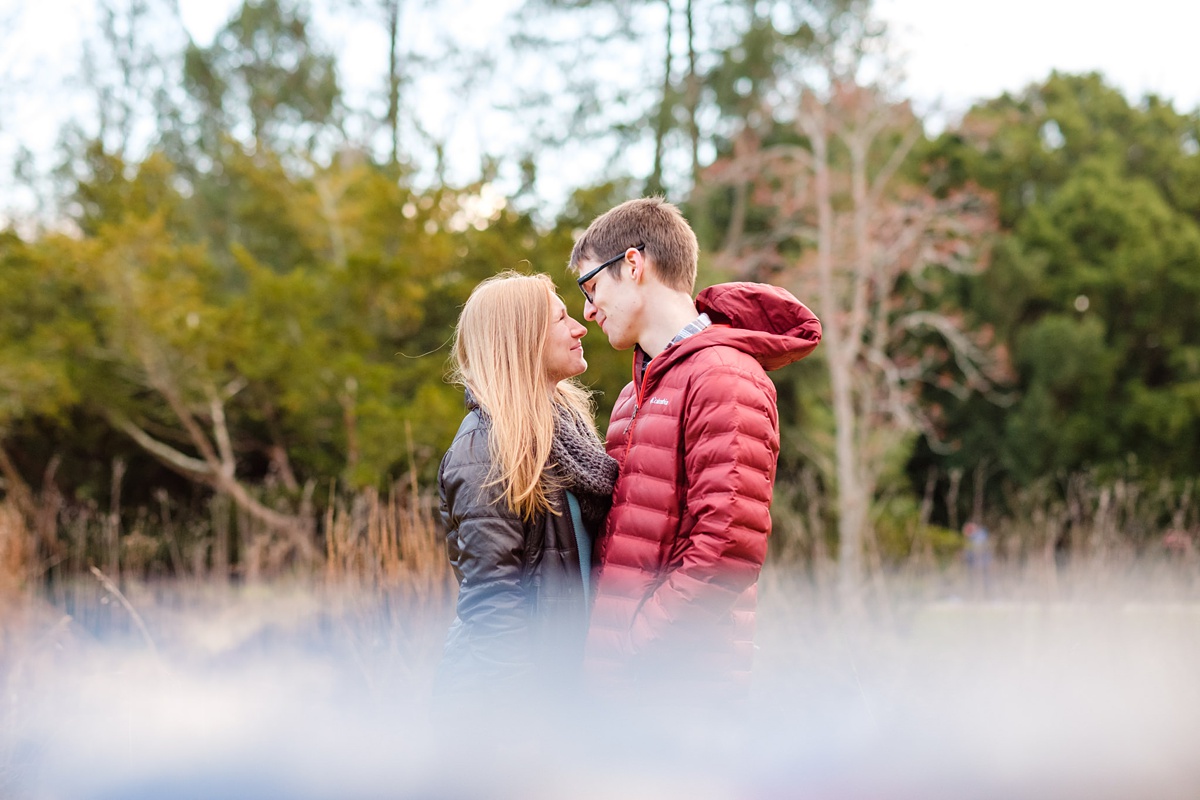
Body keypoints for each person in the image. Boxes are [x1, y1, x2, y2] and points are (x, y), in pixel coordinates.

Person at [570, 197, 822, 697]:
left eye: (592, 285)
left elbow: (726, 549)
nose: (587, 309)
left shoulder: (725, 377)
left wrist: (632, 651)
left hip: (679, 692)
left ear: (634, 264)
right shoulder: (633, 395)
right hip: (624, 691)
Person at [434, 271, 618, 704]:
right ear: (523, 339)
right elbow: (492, 603)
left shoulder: (564, 434)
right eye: (561, 319)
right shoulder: (486, 448)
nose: (579, 327)